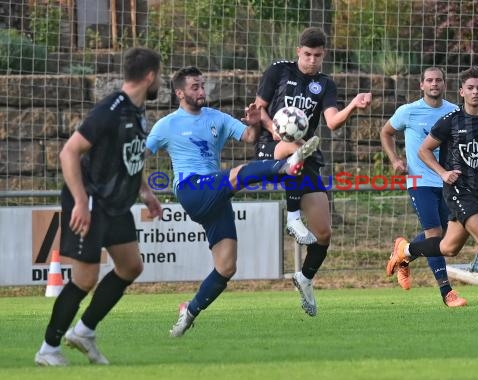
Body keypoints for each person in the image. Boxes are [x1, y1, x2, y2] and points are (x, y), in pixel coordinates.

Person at [145, 66, 320, 337]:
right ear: (179, 93)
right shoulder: (166, 125)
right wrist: (142, 188)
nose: (202, 91)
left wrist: (252, 121)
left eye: (203, 85)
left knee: (226, 267)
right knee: (238, 174)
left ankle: (188, 312)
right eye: (195, 87)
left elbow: (249, 137)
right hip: (191, 190)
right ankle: (285, 166)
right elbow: (141, 153)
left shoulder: (216, 117)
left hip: (215, 196)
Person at [34, 47, 163, 366]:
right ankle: (48, 348)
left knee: (131, 266)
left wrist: (145, 191)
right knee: (84, 279)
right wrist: (80, 201)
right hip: (91, 200)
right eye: (159, 74)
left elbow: (129, 156)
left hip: (117, 204)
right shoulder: (110, 110)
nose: (159, 80)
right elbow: (69, 152)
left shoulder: (138, 110)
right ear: (150, 76)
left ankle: (84, 331)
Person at [386, 66, 478, 314]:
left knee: (448, 247)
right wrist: (442, 173)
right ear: (461, 91)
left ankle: (405, 250)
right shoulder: (450, 120)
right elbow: (424, 150)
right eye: (470, 88)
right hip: (456, 190)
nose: (475, 92)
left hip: (477, 192)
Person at [254, 27, 372, 316]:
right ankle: (292, 217)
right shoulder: (278, 71)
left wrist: (354, 106)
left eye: (317, 56)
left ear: (324, 55)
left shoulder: (325, 84)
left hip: (304, 153)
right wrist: (277, 130)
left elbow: (332, 122)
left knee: (323, 233)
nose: (311, 61)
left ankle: (305, 278)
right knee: (295, 148)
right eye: (307, 55)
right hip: (271, 146)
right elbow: (259, 109)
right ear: (298, 52)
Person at [380, 67, 467, 307]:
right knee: (435, 236)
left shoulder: (454, 112)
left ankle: (404, 251)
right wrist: (395, 160)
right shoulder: (408, 112)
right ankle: (447, 293)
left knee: (449, 238)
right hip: (419, 181)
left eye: (438, 80)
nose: (434, 84)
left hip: (447, 182)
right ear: (421, 85)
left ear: (445, 84)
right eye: (429, 80)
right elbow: (385, 133)